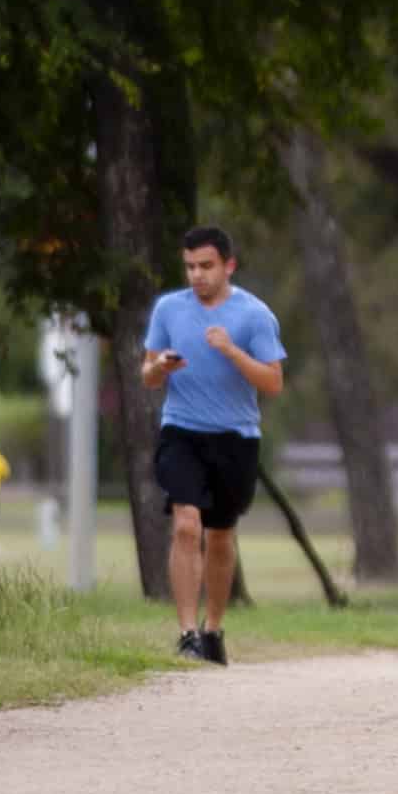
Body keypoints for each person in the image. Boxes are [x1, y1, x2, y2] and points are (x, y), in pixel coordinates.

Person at [142, 224, 286, 665]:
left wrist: (232, 351)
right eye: (189, 267)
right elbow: (147, 375)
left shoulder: (254, 315)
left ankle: (213, 630)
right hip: (181, 431)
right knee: (186, 525)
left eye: (206, 266)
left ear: (229, 266)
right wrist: (160, 367)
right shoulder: (169, 309)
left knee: (221, 536)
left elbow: (273, 383)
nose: (197, 275)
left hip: (235, 437)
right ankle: (187, 634)